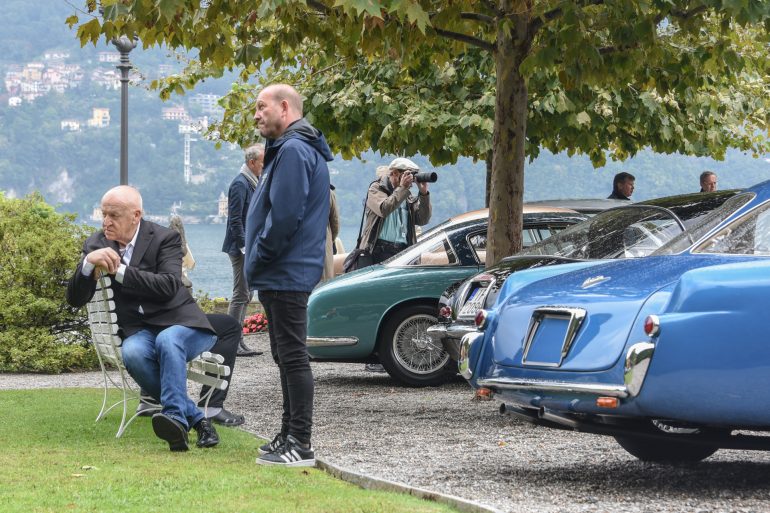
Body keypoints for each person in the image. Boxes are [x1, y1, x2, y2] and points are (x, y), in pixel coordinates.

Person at [66, 185, 220, 452]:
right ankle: (196, 419)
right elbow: (75, 299)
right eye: (103, 215)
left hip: (181, 323)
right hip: (139, 330)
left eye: (113, 215)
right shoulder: (96, 244)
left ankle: (174, 419)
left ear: (135, 215)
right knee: (133, 352)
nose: (106, 222)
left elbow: (170, 285)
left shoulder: (165, 238)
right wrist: (88, 263)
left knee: (168, 341)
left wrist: (121, 270)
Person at [245, 83, 331, 466]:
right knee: (284, 355)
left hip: (286, 271)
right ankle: (287, 434)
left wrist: (261, 255)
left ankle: (300, 442)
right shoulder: (289, 148)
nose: (256, 114)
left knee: (293, 357)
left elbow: (284, 217)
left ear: (285, 107)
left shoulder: (294, 150)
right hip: (280, 272)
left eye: (262, 107)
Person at [358, 157, 432, 372]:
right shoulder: (376, 188)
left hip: (402, 252)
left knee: (396, 305)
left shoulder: (407, 193)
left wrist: (424, 193)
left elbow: (422, 219)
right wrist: (402, 189)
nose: (411, 178)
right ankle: (371, 357)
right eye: (407, 174)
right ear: (395, 173)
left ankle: (392, 355)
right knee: (374, 304)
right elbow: (384, 208)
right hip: (378, 250)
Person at [223, 143, 265, 357]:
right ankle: (232, 341)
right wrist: (244, 247)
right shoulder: (240, 184)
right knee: (241, 294)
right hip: (240, 248)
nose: (263, 166)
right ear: (251, 162)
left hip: (248, 247)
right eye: (261, 162)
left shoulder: (251, 182)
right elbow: (235, 220)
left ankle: (239, 340)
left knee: (247, 294)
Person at [321, 184, 340, 282]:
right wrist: (331, 240)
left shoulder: (297, 188)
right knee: (324, 282)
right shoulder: (328, 193)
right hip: (323, 243)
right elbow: (335, 222)